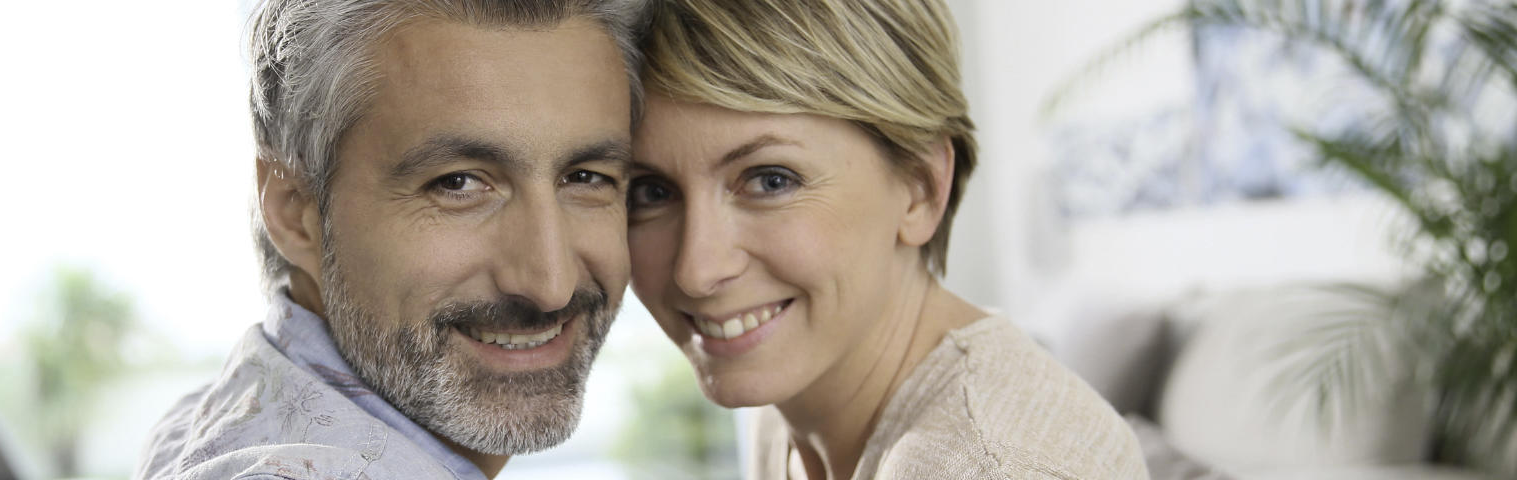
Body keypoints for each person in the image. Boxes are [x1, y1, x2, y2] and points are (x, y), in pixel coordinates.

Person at [623, 0, 1151, 478]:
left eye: (771, 180)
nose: (696, 268)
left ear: (920, 188)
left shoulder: (990, 465)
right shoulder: (792, 404)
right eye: (649, 192)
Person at [134, 1, 643, 479]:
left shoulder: (209, 416)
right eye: (458, 183)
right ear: (294, 211)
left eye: (585, 178)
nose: (551, 284)